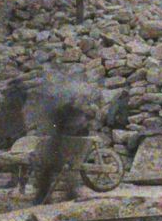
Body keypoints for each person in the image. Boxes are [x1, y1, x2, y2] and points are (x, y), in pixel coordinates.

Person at [24, 68, 105, 205]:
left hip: (62, 146)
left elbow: (61, 123)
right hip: (65, 146)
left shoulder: (69, 111)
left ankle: (45, 197)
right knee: (51, 169)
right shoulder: (74, 111)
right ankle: (65, 194)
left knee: (47, 169)